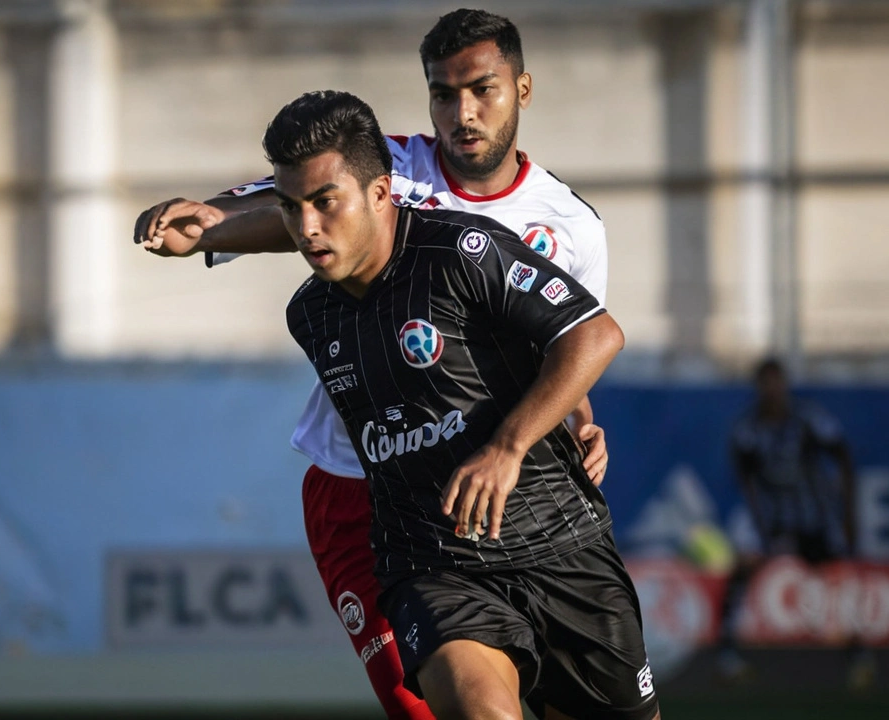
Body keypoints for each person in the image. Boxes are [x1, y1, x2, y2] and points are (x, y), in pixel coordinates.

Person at [133, 11, 612, 718]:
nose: (463, 112)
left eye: (483, 90)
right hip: (363, 489)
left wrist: (578, 420)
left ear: (524, 89)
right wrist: (212, 225)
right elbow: (289, 199)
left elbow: (566, 341)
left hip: (494, 495)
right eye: (443, 95)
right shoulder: (394, 168)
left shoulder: (572, 226)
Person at [268, 88, 656, 720]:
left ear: (380, 193)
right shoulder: (309, 315)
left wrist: (513, 444)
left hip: (559, 543)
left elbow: (593, 334)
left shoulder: (465, 250)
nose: (306, 228)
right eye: (289, 207)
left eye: (323, 203)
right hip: (436, 564)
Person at [719, 356, 872, 689]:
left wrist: (848, 513)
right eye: (766, 382)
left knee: (836, 582)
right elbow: (743, 478)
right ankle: (727, 653)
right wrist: (756, 522)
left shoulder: (808, 419)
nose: (773, 390)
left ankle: (858, 654)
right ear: (758, 387)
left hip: (813, 518)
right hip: (772, 519)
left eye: (778, 382)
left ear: (786, 384)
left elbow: (843, 456)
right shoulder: (748, 428)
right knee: (742, 570)